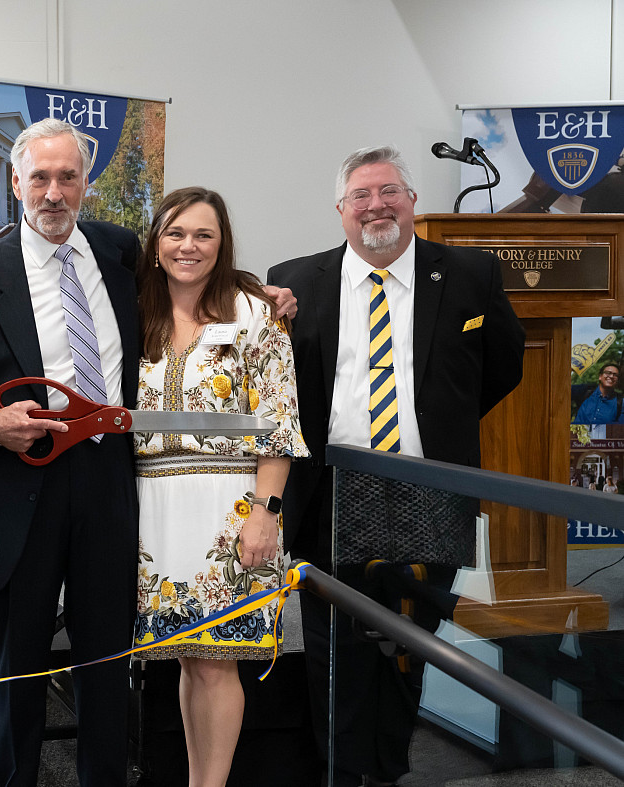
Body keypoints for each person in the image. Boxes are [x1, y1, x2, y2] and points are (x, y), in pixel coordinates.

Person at [268, 144, 525, 786]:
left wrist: (439, 427)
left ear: (411, 202)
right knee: (335, 646)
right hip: (333, 487)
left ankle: (389, 768)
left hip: (427, 487)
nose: (376, 205)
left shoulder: (469, 274)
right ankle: (341, 770)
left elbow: (504, 365)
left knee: (412, 642)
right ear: (340, 209)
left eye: (389, 192)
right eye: (362, 195)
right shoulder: (295, 280)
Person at [0, 117, 140, 786]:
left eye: (68, 176)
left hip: (109, 485)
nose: (54, 192)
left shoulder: (121, 252)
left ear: (86, 183)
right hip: (17, 491)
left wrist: (261, 294)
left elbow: (194, 292)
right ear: (16, 181)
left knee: (108, 670)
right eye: (40, 177)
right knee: (17, 675)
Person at [133, 187, 308, 786]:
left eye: (203, 235)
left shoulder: (255, 313)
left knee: (218, 665)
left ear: (222, 244)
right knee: (188, 661)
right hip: (149, 511)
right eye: (175, 233)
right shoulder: (132, 309)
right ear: (155, 242)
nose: (188, 246)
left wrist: (266, 512)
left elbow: (280, 421)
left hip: (230, 511)